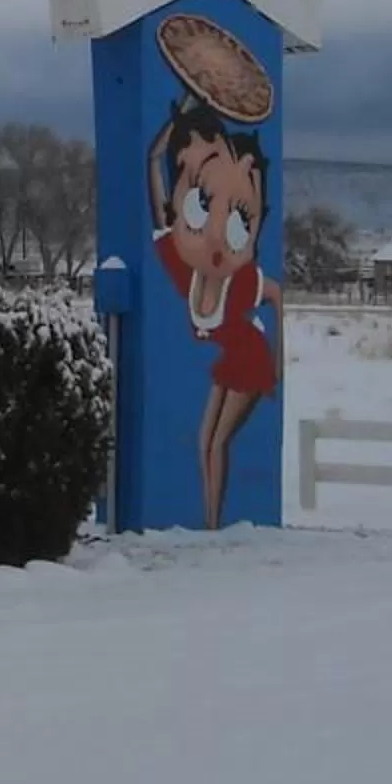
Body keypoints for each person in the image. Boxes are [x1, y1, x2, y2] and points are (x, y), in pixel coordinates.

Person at [146, 100, 281, 529]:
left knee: (216, 442)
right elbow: (155, 178)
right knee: (204, 441)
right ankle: (209, 523)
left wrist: (278, 361)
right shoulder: (185, 272)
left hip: (252, 362)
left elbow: (276, 295)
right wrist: (174, 124)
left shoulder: (241, 282)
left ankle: (211, 523)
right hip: (231, 363)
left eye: (242, 222)